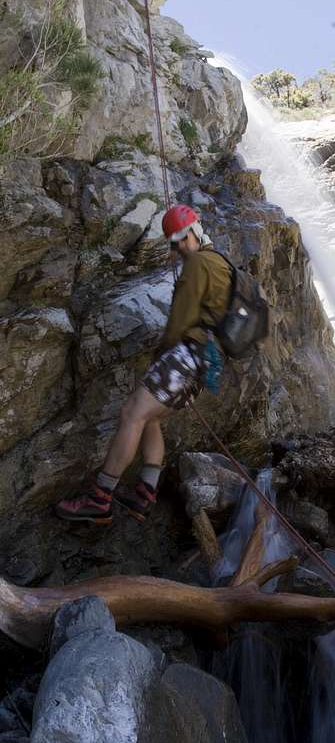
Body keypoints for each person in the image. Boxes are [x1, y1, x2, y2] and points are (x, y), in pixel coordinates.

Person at [56, 205, 232, 525]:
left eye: (180, 240)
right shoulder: (220, 262)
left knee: (131, 414)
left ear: (194, 232)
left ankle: (100, 497)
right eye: (173, 244)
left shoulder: (198, 265)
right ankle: (145, 494)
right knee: (150, 420)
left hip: (185, 356)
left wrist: (160, 358)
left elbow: (179, 323)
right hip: (203, 363)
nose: (178, 248)